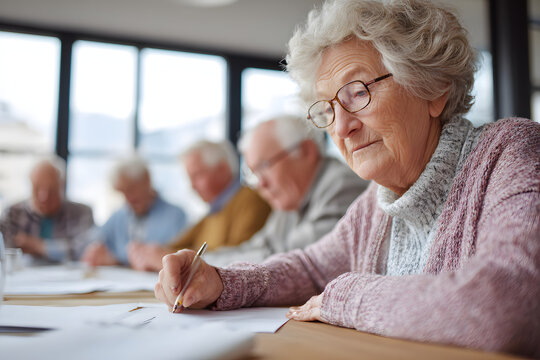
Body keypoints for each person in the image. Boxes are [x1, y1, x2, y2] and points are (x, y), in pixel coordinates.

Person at [154, 0, 540, 357]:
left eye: (357, 93)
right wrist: (219, 282)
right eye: (327, 109)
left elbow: (506, 305)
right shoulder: (377, 200)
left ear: (432, 87)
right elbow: (308, 268)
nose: (342, 127)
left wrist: (348, 297)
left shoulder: (510, 152)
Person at [201, 115, 369, 267]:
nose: (261, 183)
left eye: (264, 166)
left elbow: (288, 260)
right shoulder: (290, 200)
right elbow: (257, 248)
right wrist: (197, 263)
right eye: (254, 173)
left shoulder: (342, 185)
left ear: (306, 151)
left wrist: (207, 268)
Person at [127, 140, 272, 271]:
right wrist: (150, 253)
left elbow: (238, 260)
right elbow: (173, 247)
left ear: (222, 169)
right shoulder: (214, 210)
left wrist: (167, 257)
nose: (192, 186)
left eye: (197, 176)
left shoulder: (252, 201)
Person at [81, 155, 187, 266]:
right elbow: (94, 240)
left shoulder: (176, 216)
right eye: (122, 192)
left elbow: (181, 258)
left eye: (131, 189)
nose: (128, 199)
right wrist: (96, 251)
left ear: (147, 181)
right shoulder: (118, 216)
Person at [0, 155, 94, 263]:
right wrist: (59, 249)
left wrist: (36, 245)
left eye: (52, 190)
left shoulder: (82, 213)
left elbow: (83, 252)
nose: (43, 197)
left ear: (62, 187)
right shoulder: (12, 213)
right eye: (37, 188)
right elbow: (5, 253)